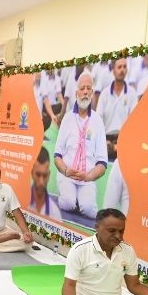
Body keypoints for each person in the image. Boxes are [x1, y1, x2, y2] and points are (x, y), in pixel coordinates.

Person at [54, 71, 108, 218]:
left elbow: (102, 163)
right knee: (68, 203)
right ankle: (71, 197)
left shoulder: (98, 121)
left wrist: (88, 176)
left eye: (88, 88)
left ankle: (81, 199)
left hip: (87, 179)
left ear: (92, 92)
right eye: (82, 88)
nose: (85, 92)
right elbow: (57, 155)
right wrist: (65, 171)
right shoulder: (67, 118)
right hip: (67, 176)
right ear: (76, 92)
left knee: (90, 211)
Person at [97, 58, 138, 161]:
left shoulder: (132, 93)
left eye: (124, 67)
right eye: (119, 67)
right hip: (107, 141)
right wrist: (104, 141)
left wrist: (120, 145)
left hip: (124, 140)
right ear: (113, 71)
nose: (122, 70)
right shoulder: (105, 94)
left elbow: (134, 123)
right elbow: (98, 121)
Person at [28, 147, 62, 221]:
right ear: (32, 173)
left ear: (49, 175)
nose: (41, 182)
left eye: (45, 175)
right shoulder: (21, 201)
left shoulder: (55, 213)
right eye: (38, 174)